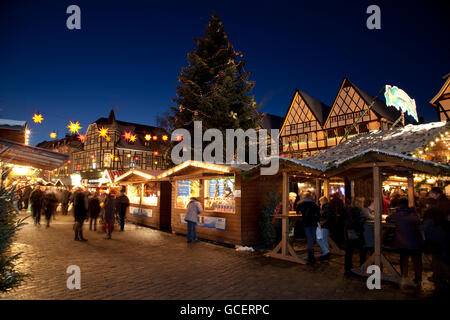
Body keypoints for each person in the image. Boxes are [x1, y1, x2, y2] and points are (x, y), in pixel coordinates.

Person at [386, 197, 423, 287]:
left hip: (403, 241)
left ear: (399, 205)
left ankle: (404, 276)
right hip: (416, 240)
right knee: (417, 261)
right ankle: (418, 279)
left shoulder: (398, 214)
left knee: (404, 259)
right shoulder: (414, 213)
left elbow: (388, 219)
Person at [423, 187, 450, 291]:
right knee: (440, 254)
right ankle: (439, 275)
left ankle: (440, 276)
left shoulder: (440, 205)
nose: (430, 195)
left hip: (440, 232)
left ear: (436, 194)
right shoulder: (443, 202)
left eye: (431, 193)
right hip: (442, 232)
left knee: (439, 255)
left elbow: (433, 221)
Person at [296, 191, 320, 264]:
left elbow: (297, 212)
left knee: (309, 238)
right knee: (312, 238)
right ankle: (311, 256)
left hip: (306, 223)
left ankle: (311, 257)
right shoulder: (314, 204)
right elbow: (318, 213)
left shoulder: (301, 204)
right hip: (313, 223)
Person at [344, 197, 365, 276]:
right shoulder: (356, 211)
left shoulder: (350, 210)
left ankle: (348, 268)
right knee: (361, 249)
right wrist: (362, 220)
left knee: (349, 251)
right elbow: (354, 222)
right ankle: (360, 267)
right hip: (354, 232)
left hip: (350, 232)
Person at [317, 196, 334, 261]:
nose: (319, 203)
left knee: (320, 239)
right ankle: (326, 253)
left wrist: (321, 224)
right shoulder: (327, 207)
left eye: (320, 201)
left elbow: (326, 217)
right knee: (324, 239)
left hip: (324, 225)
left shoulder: (326, 208)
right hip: (325, 225)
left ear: (323, 201)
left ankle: (326, 253)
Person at [360, 199, 375, 265]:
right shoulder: (365, 210)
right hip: (366, 232)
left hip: (371, 233)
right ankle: (363, 265)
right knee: (365, 249)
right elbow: (370, 217)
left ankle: (371, 264)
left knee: (371, 249)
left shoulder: (371, 211)